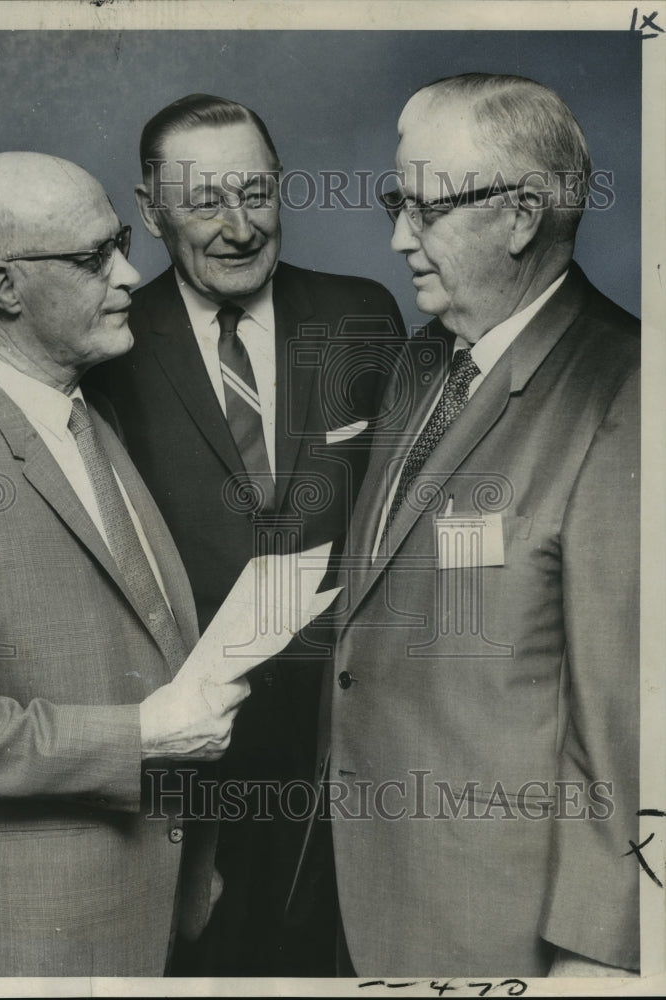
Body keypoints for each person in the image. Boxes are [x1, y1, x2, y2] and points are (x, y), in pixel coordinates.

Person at [0, 151, 251, 978]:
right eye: (94, 260)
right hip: (39, 941)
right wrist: (142, 735)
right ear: (6, 289)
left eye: (119, 242)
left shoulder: (90, 420)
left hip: (157, 913)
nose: (129, 274)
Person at [317, 73, 640, 976]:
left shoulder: (629, 394)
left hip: (507, 933)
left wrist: (600, 955)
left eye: (421, 209)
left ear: (521, 216)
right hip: (368, 895)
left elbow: (628, 724)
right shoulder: (427, 358)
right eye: (395, 202)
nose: (395, 238)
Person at [89, 93, 405, 975]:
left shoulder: (364, 317)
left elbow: (407, 518)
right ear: (150, 212)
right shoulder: (108, 345)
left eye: (256, 192)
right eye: (203, 203)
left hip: (344, 758)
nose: (239, 227)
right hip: (186, 773)